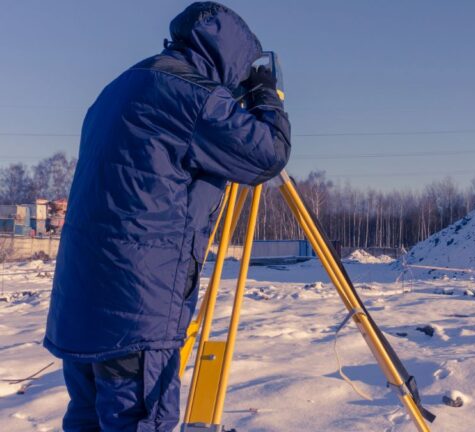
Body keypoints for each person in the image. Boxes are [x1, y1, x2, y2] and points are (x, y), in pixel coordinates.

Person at [43, 2, 290, 431]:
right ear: (229, 55)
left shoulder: (119, 86)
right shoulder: (195, 96)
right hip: (137, 313)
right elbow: (267, 155)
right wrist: (267, 98)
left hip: (80, 304)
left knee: (86, 421)